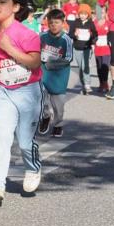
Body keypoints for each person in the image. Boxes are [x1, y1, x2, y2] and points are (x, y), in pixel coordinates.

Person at [0, 0, 44, 203]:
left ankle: (33, 167)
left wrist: (10, 50)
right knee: (2, 136)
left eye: (2, 2)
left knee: (25, 141)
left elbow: (35, 62)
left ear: (16, 6)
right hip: (5, 92)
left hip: (29, 92)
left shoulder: (26, 33)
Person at [38, 9, 74, 138]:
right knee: (42, 99)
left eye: (57, 22)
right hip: (43, 74)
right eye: (51, 22)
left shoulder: (66, 40)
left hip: (59, 76)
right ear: (47, 23)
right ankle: (46, 117)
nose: (54, 25)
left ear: (63, 23)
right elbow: (35, 52)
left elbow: (69, 58)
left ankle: (58, 124)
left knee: (58, 104)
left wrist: (52, 63)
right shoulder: (42, 37)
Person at [69, 3, 97, 95]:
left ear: (88, 15)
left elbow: (95, 35)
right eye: (81, 13)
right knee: (81, 67)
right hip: (77, 48)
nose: (83, 16)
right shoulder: (75, 23)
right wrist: (75, 35)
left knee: (85, 66)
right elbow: (70, 34)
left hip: (87, 48)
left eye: (85, 14)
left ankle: (88, 84)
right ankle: (83, 85)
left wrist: (92, 38)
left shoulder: (91, 23)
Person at [94, 11, 111, 95]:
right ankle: (101, 83)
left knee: (105, 66)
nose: (101, 14)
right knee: (99, 67)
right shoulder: (95, 23)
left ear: (105, 14)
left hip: (106, 48)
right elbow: (91, 33)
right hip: (97, 47)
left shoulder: (109, 23)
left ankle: (106, 83)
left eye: (103, 12)